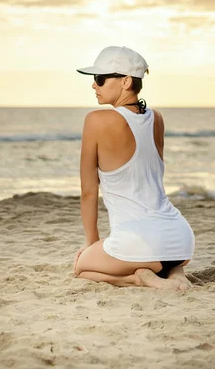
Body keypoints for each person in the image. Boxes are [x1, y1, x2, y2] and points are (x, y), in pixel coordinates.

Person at [73, 46, 195, 291]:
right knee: (150, 253)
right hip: (181, 241)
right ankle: (175, 271)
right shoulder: (156, 118)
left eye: (99, 79)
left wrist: (92, 245)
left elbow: (88, 192)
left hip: (138, 245)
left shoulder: (96, 120)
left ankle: (136, 278)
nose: (94, 85)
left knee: (81, 268)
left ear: (126, 81)